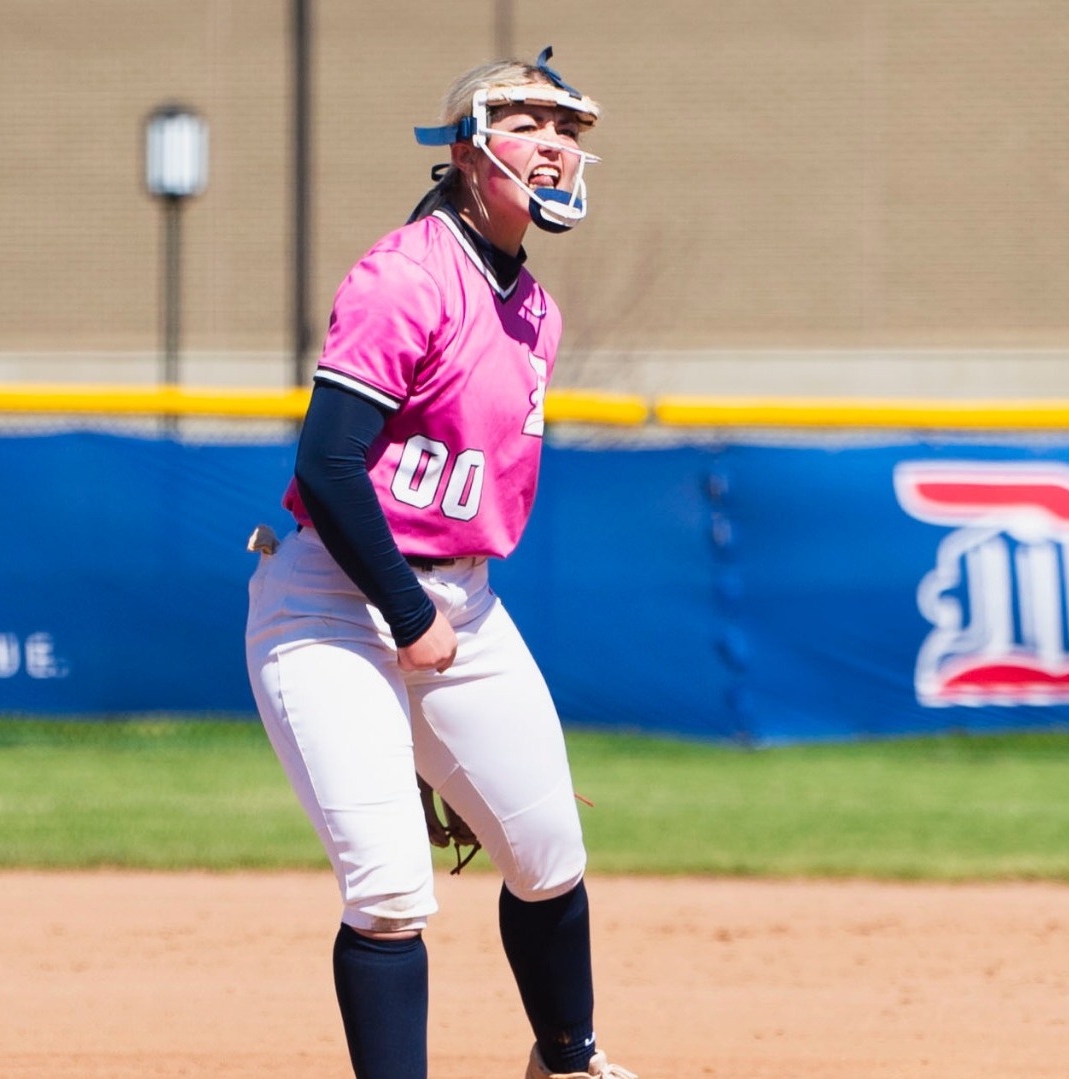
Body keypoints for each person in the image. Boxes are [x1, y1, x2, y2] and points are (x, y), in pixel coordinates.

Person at [244, 48, 634, 1079]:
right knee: (389, 892)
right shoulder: (406, 274)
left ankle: (567, 1058)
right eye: (528, 123)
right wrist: (411, 619)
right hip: (334, 595)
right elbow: (328, 467)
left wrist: (434, 644)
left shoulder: (535, 310)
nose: (555, 144)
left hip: (459, 599)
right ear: (467, 153)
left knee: (547, 853)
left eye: (569, 129)